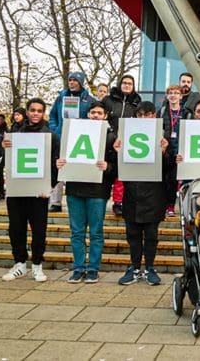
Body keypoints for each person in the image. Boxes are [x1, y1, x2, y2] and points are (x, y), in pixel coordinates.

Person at [56, 101, 117, 284]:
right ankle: (78, 268)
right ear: (88, 114)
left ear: (105, 116)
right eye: (92, 112)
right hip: (75, 189)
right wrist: (60, 163)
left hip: (98, 191)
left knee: (96, 232)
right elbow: (63, 157)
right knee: (77, 232)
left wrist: (108, 167)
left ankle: (93, 269)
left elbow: (118, 167)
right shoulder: (73, 132)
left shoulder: (111, 137)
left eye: (99, 113)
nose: (95, 115)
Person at [1, 98, 59, 282]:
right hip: (17, 189)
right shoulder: (14, 133)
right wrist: (4, 147)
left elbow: (55, 164)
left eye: (39, 110)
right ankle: (19, 263)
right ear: (27, 112)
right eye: (32, 110)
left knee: (39, 230)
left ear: (43, 113)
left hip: (38, 192)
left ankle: (37, 265)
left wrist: (50, 186)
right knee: (16, 228)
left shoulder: (50, 135)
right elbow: (6, 160)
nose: (35, 113)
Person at [115, 101, 169, 286]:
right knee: (133, 234)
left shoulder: (163, 136)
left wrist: (164, 152)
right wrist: (117, 152)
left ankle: (150, 268)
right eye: (140, 115)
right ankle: (134, 267)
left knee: (151, 235)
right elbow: (118, 168)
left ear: (155, 115)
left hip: (154, 195)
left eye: (148, 114)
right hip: (132, 193)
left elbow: (171, 169)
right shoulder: (126, 135)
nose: (144, 118)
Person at [47, 71, 96, 212]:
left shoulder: (89, 99)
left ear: (81, 82)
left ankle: (79, 199)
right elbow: (53, 116)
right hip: (61, 137)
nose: (72, 83)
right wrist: (56, 131)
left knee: (77, 167)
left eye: (75, 80)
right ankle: (55, 202)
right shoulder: (61, 97)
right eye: (70, 80)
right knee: (59, 166)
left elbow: (92, 118)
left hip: (80, 140)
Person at [103, 75, 141, 216]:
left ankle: (118, 202)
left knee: (121, 173)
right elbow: (102, 116)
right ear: (119, 84)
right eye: (124, 83)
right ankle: (103, 199)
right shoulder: (108, 100)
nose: (126, 85)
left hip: (127, 142)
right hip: (109, 140)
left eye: (129, 83)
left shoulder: (137, 102)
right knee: (107, 171)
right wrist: (111, 134)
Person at [161, 84, 184, 217]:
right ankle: (164, 205)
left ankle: (171, 206)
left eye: (176, 93)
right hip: (166, 150)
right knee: (165, 179)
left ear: (181, 96)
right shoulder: (162, 111)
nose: (173, 95)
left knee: (175, 179)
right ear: (167, 95)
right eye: (170, 93)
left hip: (179, 150)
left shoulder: (186, 112)